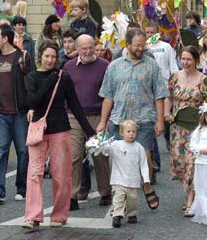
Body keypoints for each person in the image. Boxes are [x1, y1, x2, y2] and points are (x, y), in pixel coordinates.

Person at [22, 42, 96, 229]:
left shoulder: (64, 78)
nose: (50, 60)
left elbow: (75, 105)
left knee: (61, 175)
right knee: (34, 174)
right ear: (40, 56)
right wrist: (50, 80)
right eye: (46, 56)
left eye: (53, 57)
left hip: (60, 129)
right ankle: (33, 216)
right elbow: (33, 101)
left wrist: (89, 131)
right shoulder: (32, 76)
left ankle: (59, 215)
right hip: (39, 129)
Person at [98, 29, 168, 184]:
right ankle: (121, 190)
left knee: (145, 155)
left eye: (143, 45)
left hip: (143, 119)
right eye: (137, 45)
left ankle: (147, 186)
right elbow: (108, 96)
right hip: (118, 120)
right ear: (128, 44)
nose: (141, 49)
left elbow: (159, 95)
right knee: (119, 158)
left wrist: (160, 121)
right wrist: (103, 122)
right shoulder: (114, 67)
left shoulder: (152, 65)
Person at [63, 35, 112, 210]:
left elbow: (109, 94)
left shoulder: (105, 66)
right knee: (74, 156)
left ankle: (105, 192)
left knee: (99, 156)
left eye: (91, 47)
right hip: (74, 116)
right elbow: (64, 93)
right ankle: (72, 196)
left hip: (98, 115)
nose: (88, 51)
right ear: (77, 49)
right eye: (84, 48)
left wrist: (105, 120)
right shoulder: (68, 67)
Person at [0, 24, 35, 202]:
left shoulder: (22, 57)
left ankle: (22, 188)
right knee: (0, 150)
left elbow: (31, 84)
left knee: (23, 151)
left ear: (5, 38)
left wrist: (31, 107)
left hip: (20, 112)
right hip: (0, 113)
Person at [165, 46, 207, 216]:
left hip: (196, 128)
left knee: (191, 163)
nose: (185, 62)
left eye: (189, 59)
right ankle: (189, 191)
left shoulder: (204, 80)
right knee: (179, 163)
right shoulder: (175, 77)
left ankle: (190, 199)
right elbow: (169, 97)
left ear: (196, 61)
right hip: (177, 127)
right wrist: (166, 113)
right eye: (183, 59)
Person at [102, 120, 156, 228]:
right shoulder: (115, 145)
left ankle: (132, 214)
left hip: (133, 179)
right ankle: (117, 215)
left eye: (134, 131)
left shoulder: (139, 147)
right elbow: (106, 151)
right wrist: (101, 144)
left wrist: (146, 179)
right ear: (121, 133)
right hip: (118, 179)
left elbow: (143, 164)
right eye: (128, 131)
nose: (131, 134)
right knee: (118, 197)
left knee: (132, 199)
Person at [145, 23, 179, 177]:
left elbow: (173, 67)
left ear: (158, 33)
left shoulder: (166, 47)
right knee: (151, 121)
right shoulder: (143, 48)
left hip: (164, 86)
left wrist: (174, 84)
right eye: (147, 32)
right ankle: (154, 159)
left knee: (164, 118)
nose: (150, 35)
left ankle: (167, 137)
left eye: (152, 32)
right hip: (148, 89)